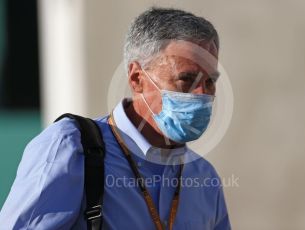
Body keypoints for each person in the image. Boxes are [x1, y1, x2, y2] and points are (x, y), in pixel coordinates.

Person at [0, 7, 231, 229]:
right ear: (137, 79)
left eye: (210, 82)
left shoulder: (204, 178)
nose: (202, 94)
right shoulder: (70, 147)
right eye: (187, 79)